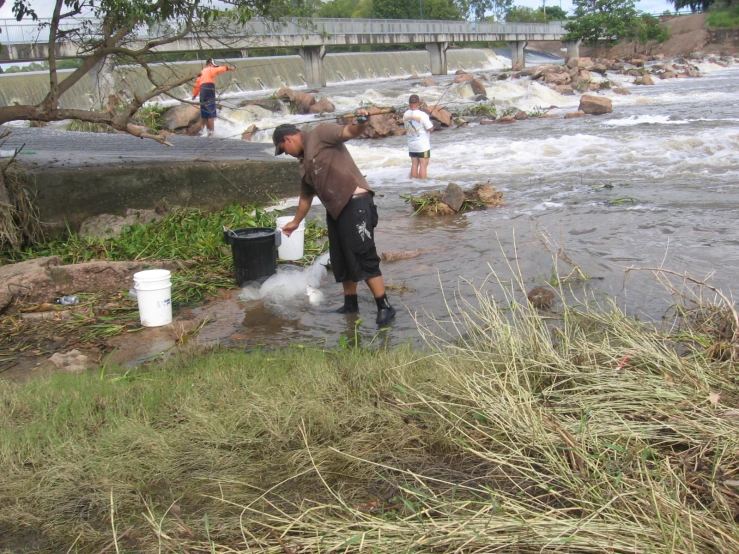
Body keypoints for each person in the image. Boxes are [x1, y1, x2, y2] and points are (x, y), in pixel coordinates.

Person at [272, 112, 396, 326]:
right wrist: (295, 222)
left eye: (284, 150)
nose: (287, 154)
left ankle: (385, 306)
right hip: (336, 209)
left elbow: (349, 131)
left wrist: (362, 122)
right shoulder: (304, 162)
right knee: (341, 258)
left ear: (288, 139)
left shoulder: (320, 133)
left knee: (363, 254)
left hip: (355, 202)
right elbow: (305, 197)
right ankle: (350, 303)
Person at [191, 58, 236, 137]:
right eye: (213, 66)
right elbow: (219, 69)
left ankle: (207, 133)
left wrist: (194, 95)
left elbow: (197, 85)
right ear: (210, 64)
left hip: (202, 93)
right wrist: (229, 68)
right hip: (209, 91)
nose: (214, 67)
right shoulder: (209, 69)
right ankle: (211, 134)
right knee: (211, 114)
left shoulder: (201, 72)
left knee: (205, 114)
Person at [403, 94, 434, 179]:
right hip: (422, 145)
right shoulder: (423, 115)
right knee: (423, 165)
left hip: (411, 144)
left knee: (414, 165)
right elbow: (430, 129)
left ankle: (414, 183)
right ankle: (422, 185)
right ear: (418, 103)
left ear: (409, 103)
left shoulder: (405, 114)